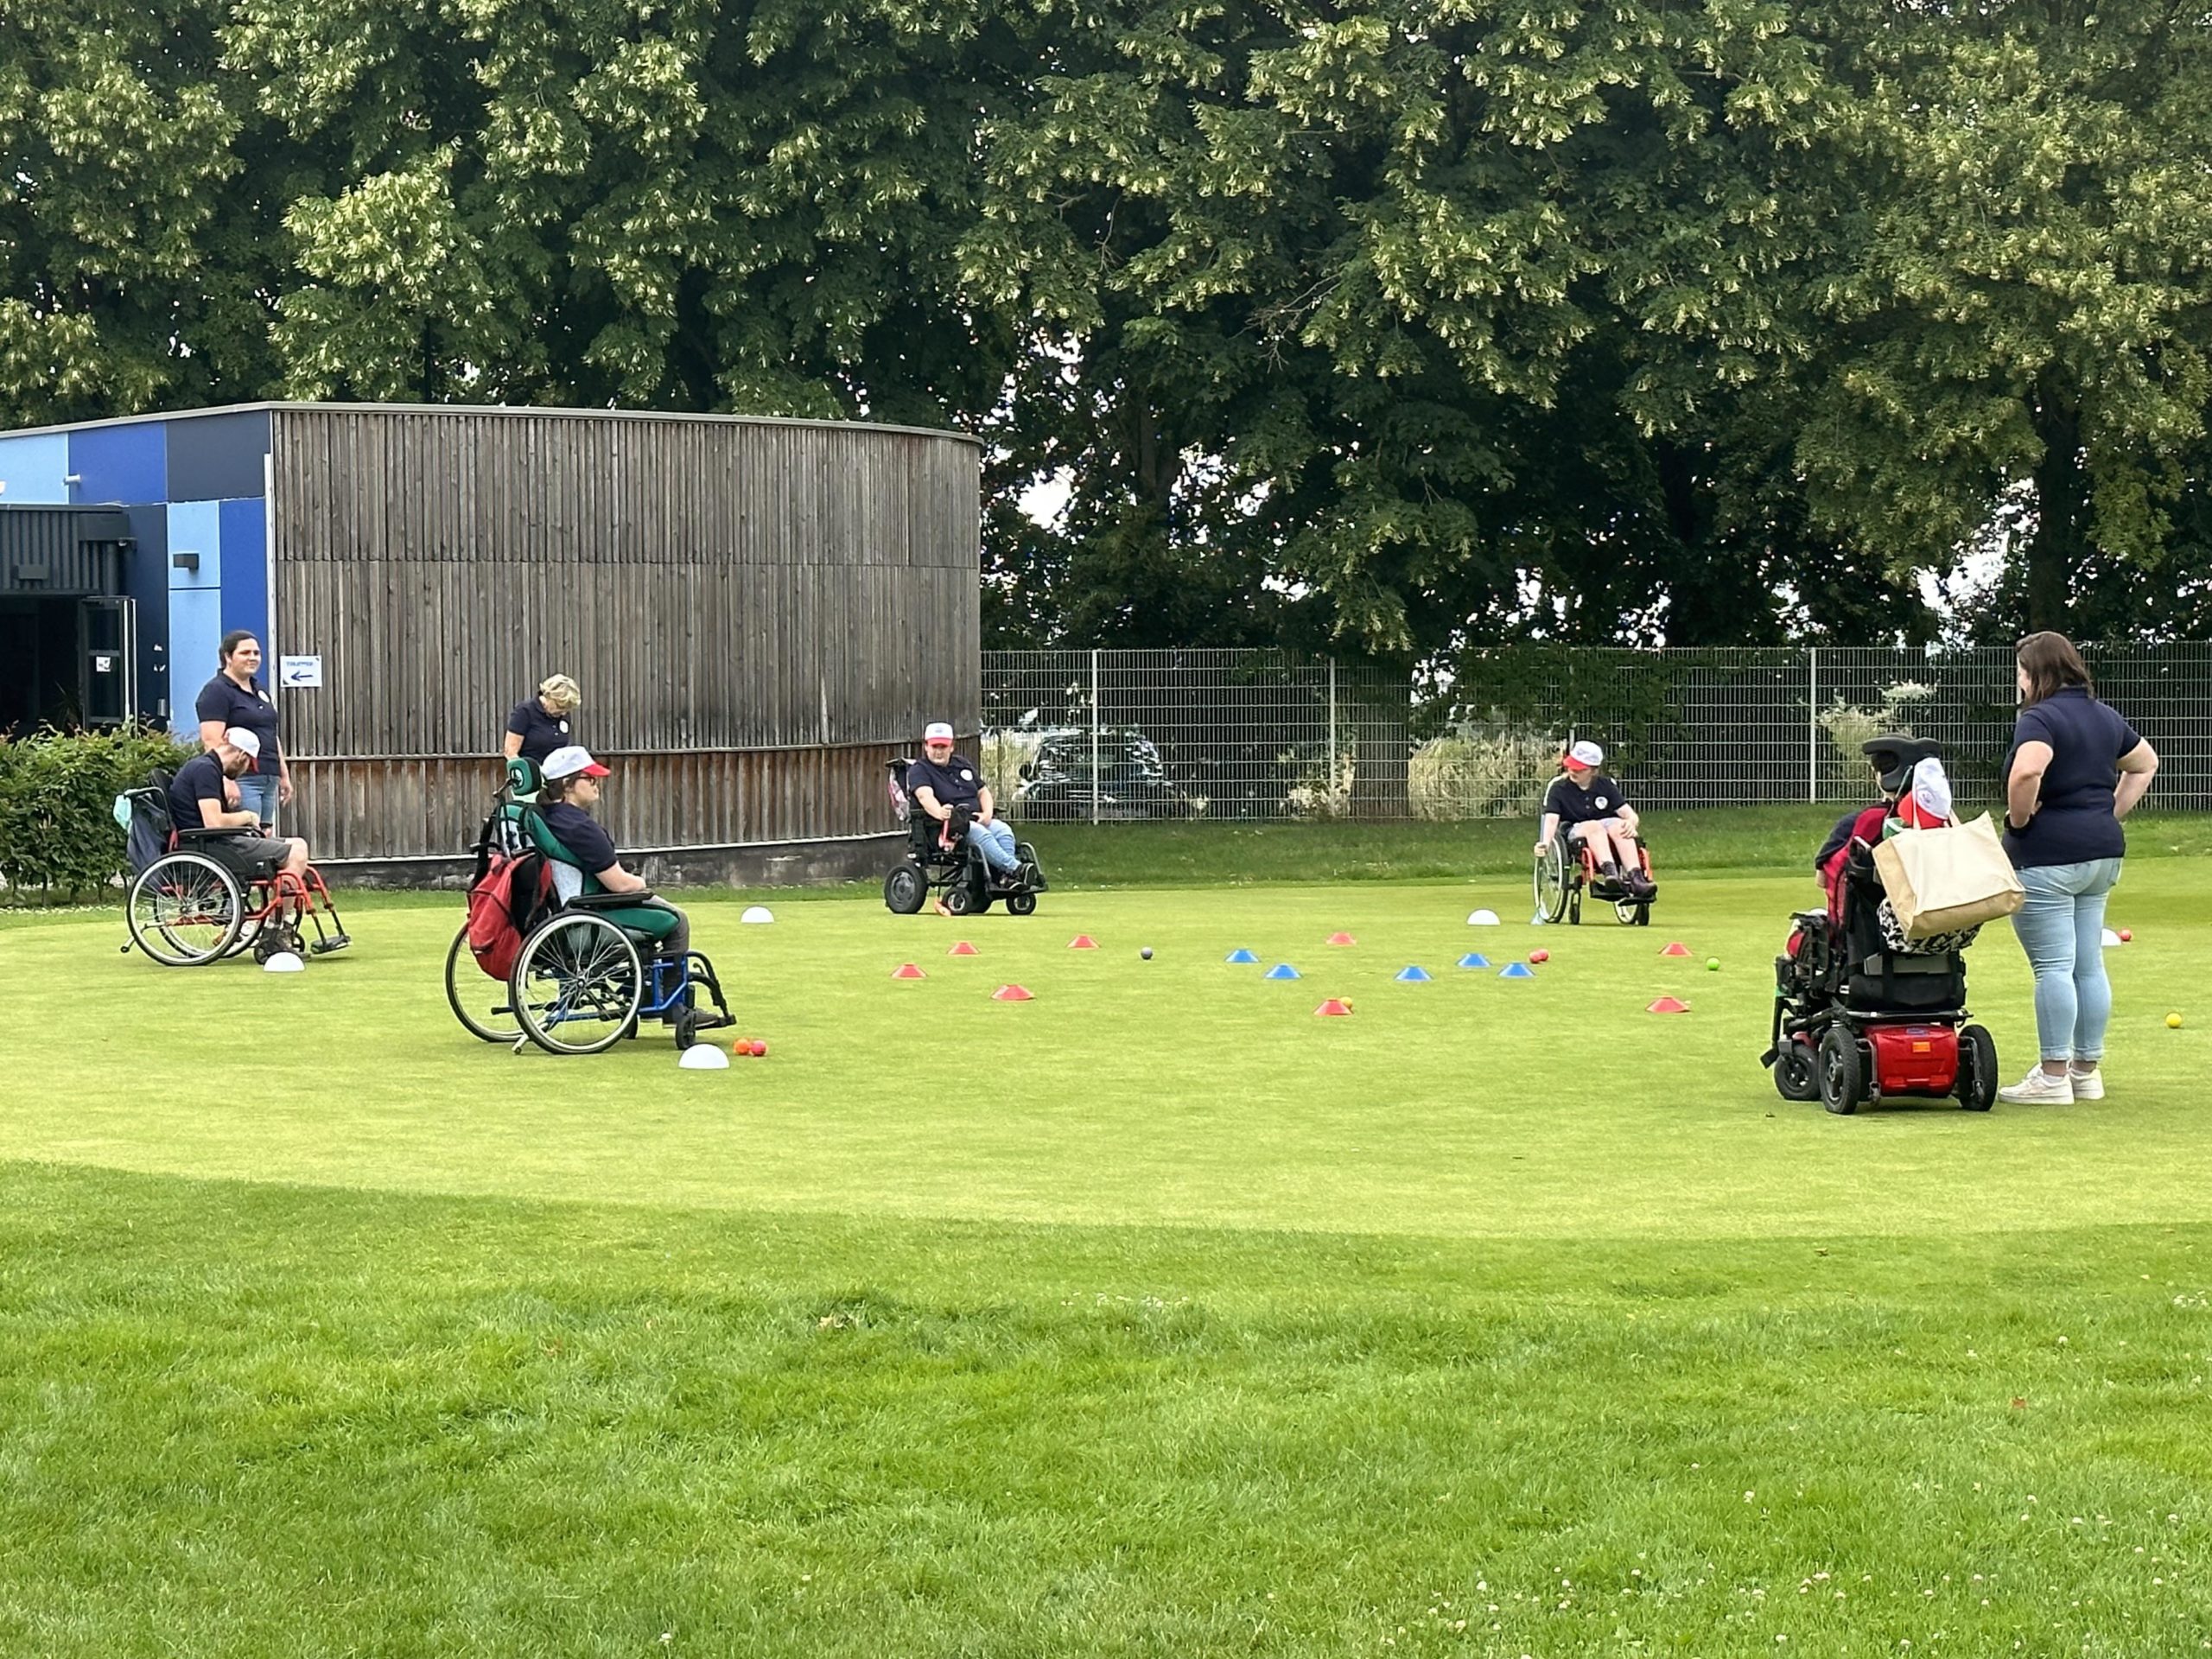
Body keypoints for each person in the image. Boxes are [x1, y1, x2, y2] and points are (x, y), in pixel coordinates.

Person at [1997, 632, 2159, 1104]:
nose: (2019, 681)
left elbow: (2027, 772)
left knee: (2053, 966)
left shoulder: (2039, 718)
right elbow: (2145, 762)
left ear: (2036, 673)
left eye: (2021, 671)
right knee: (2088, 965)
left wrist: (2018, 820)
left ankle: (2051, 1077)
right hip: (2102, 855)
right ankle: (2085, 1072)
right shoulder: (2103, 715)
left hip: (2048, 857)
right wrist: (2110, 812)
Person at [534, 745, 690, 961]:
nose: (596, 784)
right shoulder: (581, 828)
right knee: (678, 921)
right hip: (586, 916)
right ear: (567, 785)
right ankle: (666, 993)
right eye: (589, 778)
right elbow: (620, 885)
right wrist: (642, 883)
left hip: (557, 917)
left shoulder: (545, 818)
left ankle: (635, 987)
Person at [1814, 734, 1947, 918]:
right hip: (1934, 930)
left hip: (1869, 934)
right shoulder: (1942, 822)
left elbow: (1823, 880)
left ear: (1876, 775)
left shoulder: (1860, 823)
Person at [168, 728, 310, 881]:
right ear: (242, 755)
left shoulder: (205, 767)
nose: (244, 772)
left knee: (299, 843)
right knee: (296, 853)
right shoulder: (206, 770)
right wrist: (247, 817)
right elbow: (213, 823)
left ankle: (282, 903)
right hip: (212, 847)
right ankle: (281, 906)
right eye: (248, 765)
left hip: (211, 842)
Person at [906, 721, 1035, 887]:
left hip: (974, 819)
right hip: (946, 827)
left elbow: (983, 791)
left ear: (951, 747)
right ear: (926, 747)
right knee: (979, 832)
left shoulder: (962, 764)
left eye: (943, 747)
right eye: (934, 746)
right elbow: (924, 796)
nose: (938, 751)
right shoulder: (919, 769)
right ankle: (1016, 869)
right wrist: (940, 812)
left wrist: (987, 813)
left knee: (1003, 830)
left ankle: (1006, 877)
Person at [1535, 740, 1654, 898]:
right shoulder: (1559, 788)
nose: (1573, 771)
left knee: (1620, 826)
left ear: (1593, 770)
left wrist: (1631, 823)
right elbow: (1551, 819)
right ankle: (1610, 873)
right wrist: (1545, 842)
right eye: (1571, 766)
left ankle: (1637, 878)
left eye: (1579, 769)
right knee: (1593, 826)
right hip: (1575, 830)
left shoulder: (1606, 786)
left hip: (1606, 826)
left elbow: (1629, 814)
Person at [195, 631, 289, 828]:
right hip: (243, 779)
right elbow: (211, 740)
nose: (253, 658)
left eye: (256, 653)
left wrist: (284, 775)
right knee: (248, 835)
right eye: (245, 653)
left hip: (268, 776)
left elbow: (271, 733)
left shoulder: (260, 691)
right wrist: (226, 780)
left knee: (265, 835)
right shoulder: (216, 691)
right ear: (228, 657)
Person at [504, 674, 582, 766]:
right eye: (560, 707)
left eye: (567, 709)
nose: (564, 713)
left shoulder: (561, 714)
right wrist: (529, 774)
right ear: (549, 697)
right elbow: (510, 752)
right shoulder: (525, 711)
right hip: (531, 774)